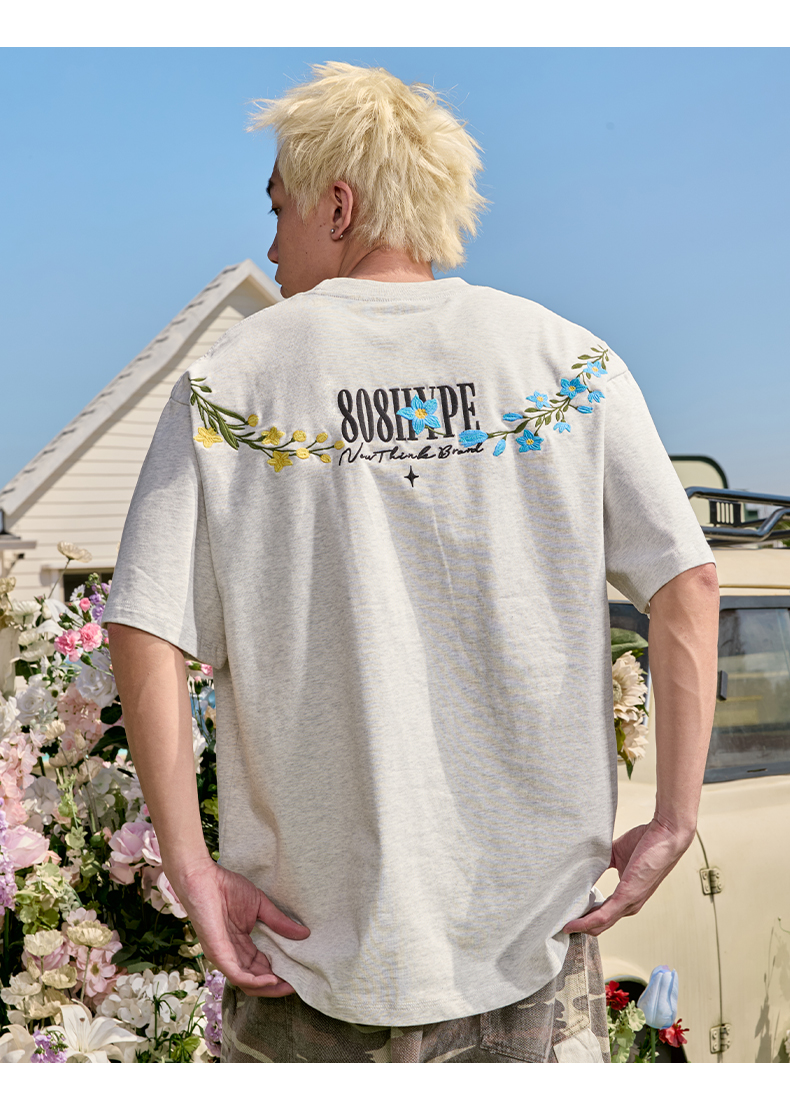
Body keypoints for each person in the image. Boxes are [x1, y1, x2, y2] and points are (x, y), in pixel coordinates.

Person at [104, 61, 720, 1063]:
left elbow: (143, 625)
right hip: (532, 949)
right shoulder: (568, 364)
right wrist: (673, 818)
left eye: (279, 208)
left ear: (338, 205)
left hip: (304, 961)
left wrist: (190, 865)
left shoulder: (228, 384)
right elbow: (687, 584)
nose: (271, 244)